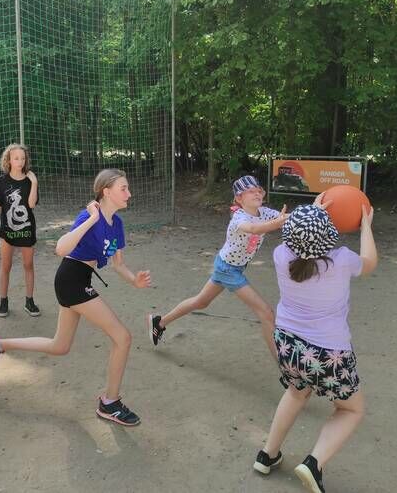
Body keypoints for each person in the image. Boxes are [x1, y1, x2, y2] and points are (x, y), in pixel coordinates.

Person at [0, 169, 151, 426]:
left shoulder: (117, 224)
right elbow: (61, 248)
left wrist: (134, 280)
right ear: (106, 191)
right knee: (123, 337)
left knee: (59, 346)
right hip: (71, 279)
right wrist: (92, 219)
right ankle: (110, 403)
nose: (129, 193)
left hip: (81, 280)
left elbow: (118, 264)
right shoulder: (88, 216)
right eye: (123, 188)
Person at [252, 197, 377, 493]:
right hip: (328, 353)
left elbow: (302, 239)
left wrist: (313, 211)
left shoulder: (281, 254)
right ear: (328, 237)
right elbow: (370, 263)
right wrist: (366, 226)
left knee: (296, 393)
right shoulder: (341, 260)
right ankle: (314, 463)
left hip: (287, 344)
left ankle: (267, 454)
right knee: (350, 410)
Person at [148, 175, 286, 359]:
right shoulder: (239, 218)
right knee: (266, 313)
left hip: (232, 266)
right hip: (228, 269)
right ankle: (284, 366)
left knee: (201, 302)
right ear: (239, 198)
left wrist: (315, 209)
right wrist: (276, 223)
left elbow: (287, 218)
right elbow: (253, 229)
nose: (256, 193)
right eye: (250, 191)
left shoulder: (265, 213)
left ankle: (159, 322)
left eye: (258, 190)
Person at [0, 143, 40, 317]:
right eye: (16, 158)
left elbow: (31, 204)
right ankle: (3, 302)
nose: (20, 161)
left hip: (26, 229)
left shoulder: (30, 180)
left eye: (23, 158)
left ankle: (29, 301)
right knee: (6, 266)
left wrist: (34, 182)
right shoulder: (1, 181)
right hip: (7, 230)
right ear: (9, 160)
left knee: (28, 265)